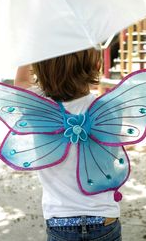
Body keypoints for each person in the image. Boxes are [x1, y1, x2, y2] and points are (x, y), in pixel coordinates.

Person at [14, 48, 122, 241]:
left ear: (39, 70)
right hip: (104, 219)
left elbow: (21, 82)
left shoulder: (39, 110)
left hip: (60, 222)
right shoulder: (109, 109)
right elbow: (111, 155)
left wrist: (34, 47)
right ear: (97, 65)